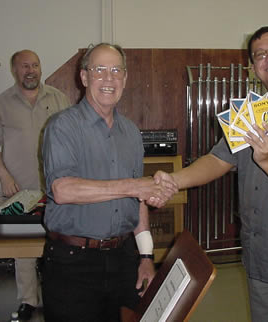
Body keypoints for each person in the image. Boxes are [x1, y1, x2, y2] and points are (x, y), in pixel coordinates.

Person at [154, 26, 268, 322]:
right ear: (253, 67)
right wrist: (174, 180)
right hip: (259, 260)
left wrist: (267, 160)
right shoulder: (251, 114)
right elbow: (218, 160)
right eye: (260, 54)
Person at [41, 43, 177, 322]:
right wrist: (132, 185)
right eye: (99, 69)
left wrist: (146, 256)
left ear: (125, 79)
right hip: (72, 262)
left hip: (124, 258)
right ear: (84, 77)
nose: (108, 78)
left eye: (116, 70)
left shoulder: (130, 132)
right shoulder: (62, 126)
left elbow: (137, 201)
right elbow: (62, 190)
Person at [0, 50, 70, 320]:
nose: (31, 70)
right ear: (15, 70)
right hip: (18, 191)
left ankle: (56, 297)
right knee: (22, 248)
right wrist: (5, 176)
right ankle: (28, 301)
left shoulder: (58, 98)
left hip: (56, 188)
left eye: (35, 65)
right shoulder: (3, 103)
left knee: (58, 244)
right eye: (25, 66)